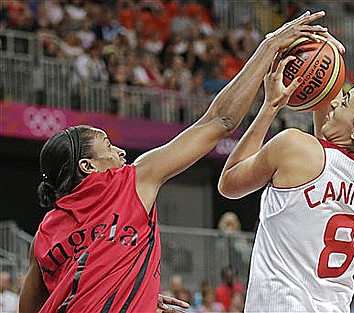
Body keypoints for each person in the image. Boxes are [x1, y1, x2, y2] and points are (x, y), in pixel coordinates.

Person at [18, 10, 331, 313]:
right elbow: (220, 120)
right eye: (108, 146)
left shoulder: (45, 233)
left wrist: (132, 294)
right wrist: (270, 45)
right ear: (88, 167)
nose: (121, 152)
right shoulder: (128, 183)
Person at [218, 49, 354, 311]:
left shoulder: (294, 146)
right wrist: (327, 57)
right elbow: (330, 132)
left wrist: (270, 106)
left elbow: (229, 183)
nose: (336, 103)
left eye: (346, 101)